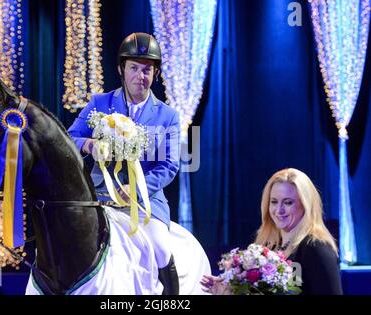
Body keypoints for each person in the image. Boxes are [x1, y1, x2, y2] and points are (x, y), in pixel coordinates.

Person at [68, 32, 180, 295]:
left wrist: (135, 189)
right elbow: (70, 137)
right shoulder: (100, 103)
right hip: (99, 197)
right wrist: (89, 144)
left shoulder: (168, 116)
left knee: (162, 248)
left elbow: (169, 166)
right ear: (121, 69)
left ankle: (172, 299)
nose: (140, 76)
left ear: (155, 73)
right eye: (134, 68)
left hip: (145, 203)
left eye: (146, 70)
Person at [201, 168, 343, 295]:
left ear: (305, 205)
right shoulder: (268, 247)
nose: (279, 210)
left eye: (288, 202)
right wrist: (227, 292)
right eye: (274, 202)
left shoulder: (316, 248)